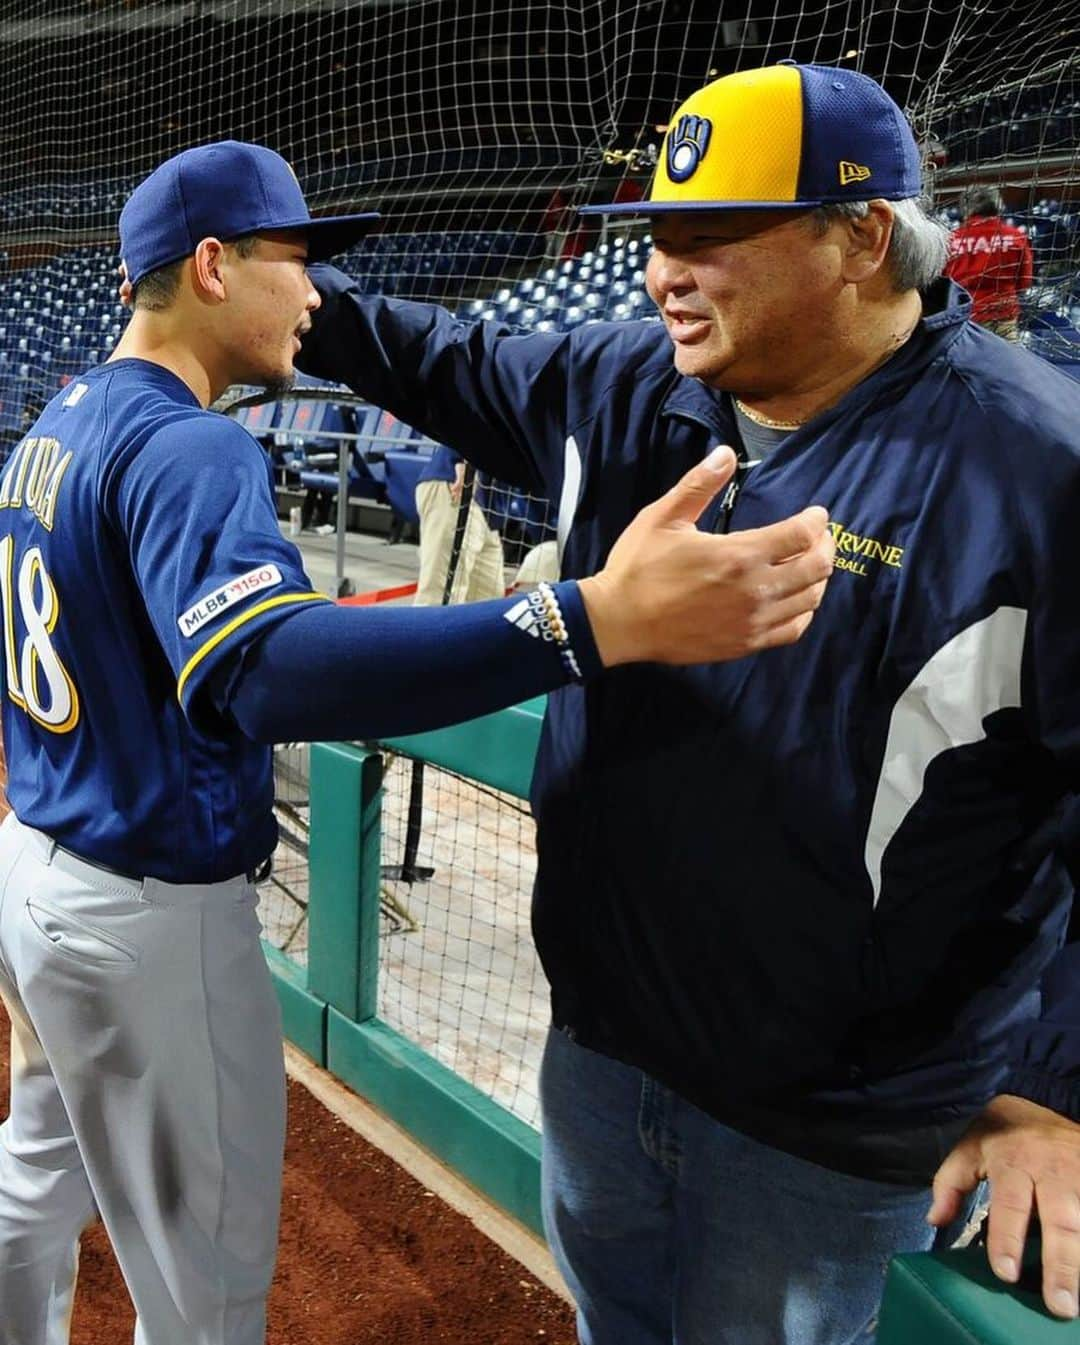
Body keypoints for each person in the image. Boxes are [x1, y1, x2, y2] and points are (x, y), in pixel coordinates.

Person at [292, 63, 1080, 1341]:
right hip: (601, 1050)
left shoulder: (1034, 470)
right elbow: (434, 357)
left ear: (861, 238)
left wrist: (1052, 1085)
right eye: (655, 238)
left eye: (711, 239)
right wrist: (264, 285)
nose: (666, 272)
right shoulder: (627, 381)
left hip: (823, 1134)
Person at [0, 141, 834, 1345]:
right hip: (144, 914)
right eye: (298, 262)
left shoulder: (62, 417)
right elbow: (266, 670)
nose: (317, 296)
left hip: (41, 863)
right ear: (216, 267)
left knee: (36, 1175)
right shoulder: (193, 443)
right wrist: (585, 617)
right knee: (206, 1292)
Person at [413, 446, 506, 605]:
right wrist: (460, 456)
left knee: (490, 603)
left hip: (488, 506)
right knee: (440, 599)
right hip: (457, 484)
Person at [944, 185, 1034, 339]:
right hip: (1004, 316)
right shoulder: (1015, 236)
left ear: (966, 207)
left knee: (970, 362)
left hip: (966, 319)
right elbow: (1024, 282)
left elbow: (944, 281)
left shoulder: (952, 239)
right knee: (1007, 361)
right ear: (997, 204)